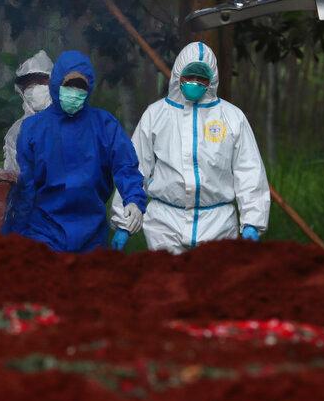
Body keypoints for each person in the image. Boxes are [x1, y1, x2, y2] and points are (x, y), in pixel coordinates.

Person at [110, 41, 270, 253]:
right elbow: (136, 166)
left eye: (201, 78)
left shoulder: (232, 117)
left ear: (211, 80)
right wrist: (124, 221)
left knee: (214, 285)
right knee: (169, 283)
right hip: (164, 224)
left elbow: (248, 170)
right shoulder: (156, 115)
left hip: (218, 224)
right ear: (178, 75)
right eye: (189, 76)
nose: (194, 82)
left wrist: (252, 221)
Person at [4, 50, 147, 253]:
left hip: (91, 233)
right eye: (68, 84)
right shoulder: (33, 129)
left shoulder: (104, 125)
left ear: (90, 87)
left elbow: (126, 166)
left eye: (80, 86)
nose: (74, 91)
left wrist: (134, 201)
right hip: (43, 232)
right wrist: (14, 232)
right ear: (56, 83)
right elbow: (25, 187)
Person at [3, 50, 53, 174]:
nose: (35, 88)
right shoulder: (16, 131)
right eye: (29, 84)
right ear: (22, 90)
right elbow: (11, 174)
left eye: (41, 82)